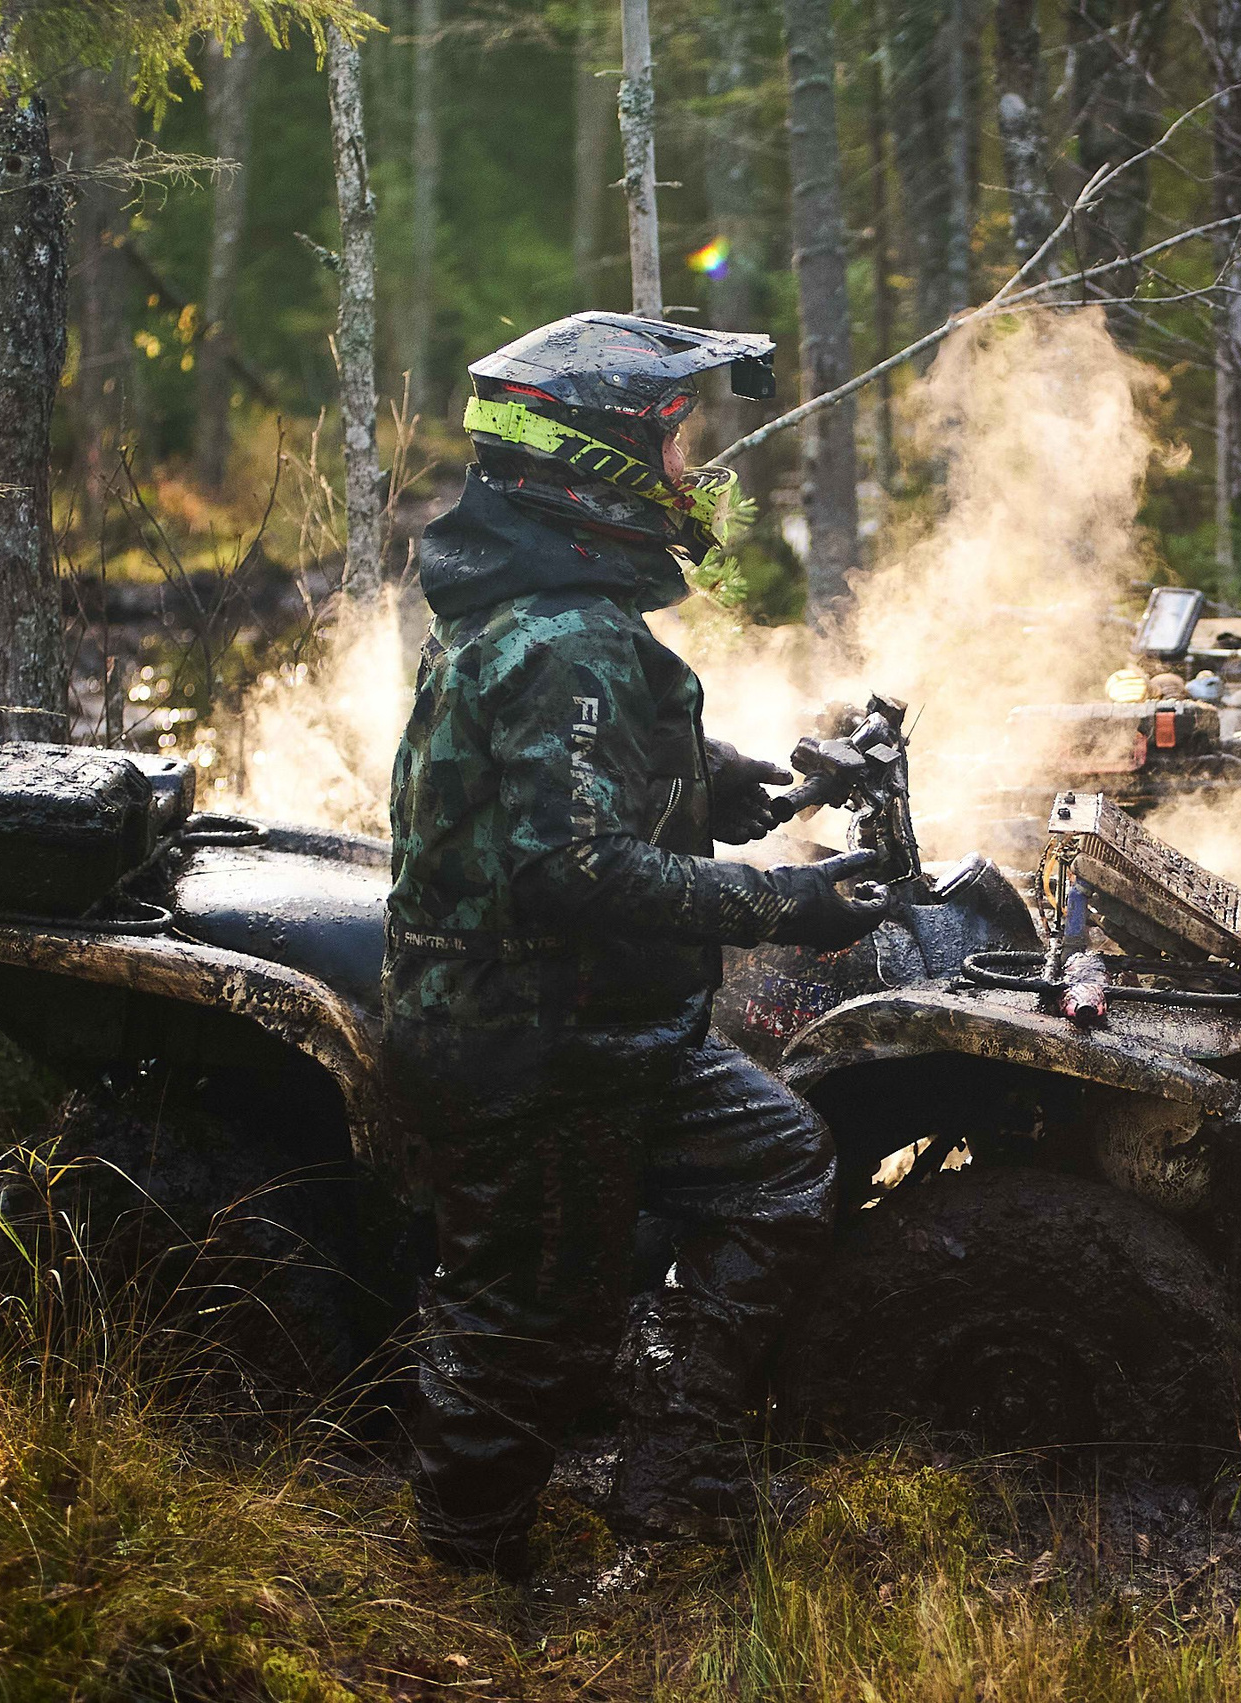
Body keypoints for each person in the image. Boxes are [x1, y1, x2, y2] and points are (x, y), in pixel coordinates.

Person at [384, 312, 887, 1577]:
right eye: (672, 447)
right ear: (596, 461)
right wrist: (789, 904)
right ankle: (462, 1577)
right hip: (534, 1042)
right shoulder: (572, 638)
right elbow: (573, 867)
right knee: (528, 1322)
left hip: (596, 1029)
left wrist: (723, 786)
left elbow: (549, 781)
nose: (689, 475)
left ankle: (672, 1468)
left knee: (777, 1164)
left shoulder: (538, 608)